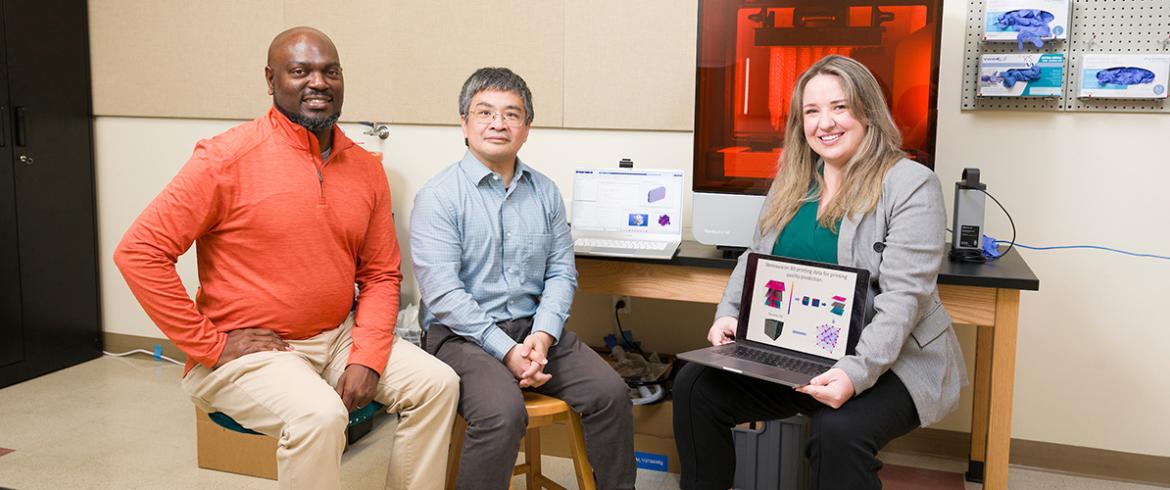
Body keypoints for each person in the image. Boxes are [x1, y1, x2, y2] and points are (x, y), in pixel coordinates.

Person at [113, 27, 459, 490]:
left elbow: (380, 274)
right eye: (300, 71)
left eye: (329, 71)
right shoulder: (225, 159)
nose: (318, 82)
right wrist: (210, 344)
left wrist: (368, 356)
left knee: (438, 385)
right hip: (252, 353)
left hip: (335, 337)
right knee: (320, 417)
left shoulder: (365, 168)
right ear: (270, 79)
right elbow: (139, 253)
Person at [672, 55, 968, 489]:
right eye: (811, 111)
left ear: (867, 111)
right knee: (695, 385)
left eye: (840, 107)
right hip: (799, 351)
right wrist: (729, 312)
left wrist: (854, 373)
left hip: (892, 359)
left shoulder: (911, 184)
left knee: (838, 432)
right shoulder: (793, 180)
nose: (825, 123)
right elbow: (754, 257)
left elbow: (904, 301)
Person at [411, 67, 636, 490]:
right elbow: (443, 295)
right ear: (464, 123)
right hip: (463, 337)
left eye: (512, 114)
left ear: (527, 128)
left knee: (611, 393)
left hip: (535, 332)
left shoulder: (546, 192)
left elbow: (561, 273)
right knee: (502, 412)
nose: (498, 123)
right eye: (485, 112)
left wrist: (544, 336)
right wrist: (507, 350)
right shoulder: (438, 196)